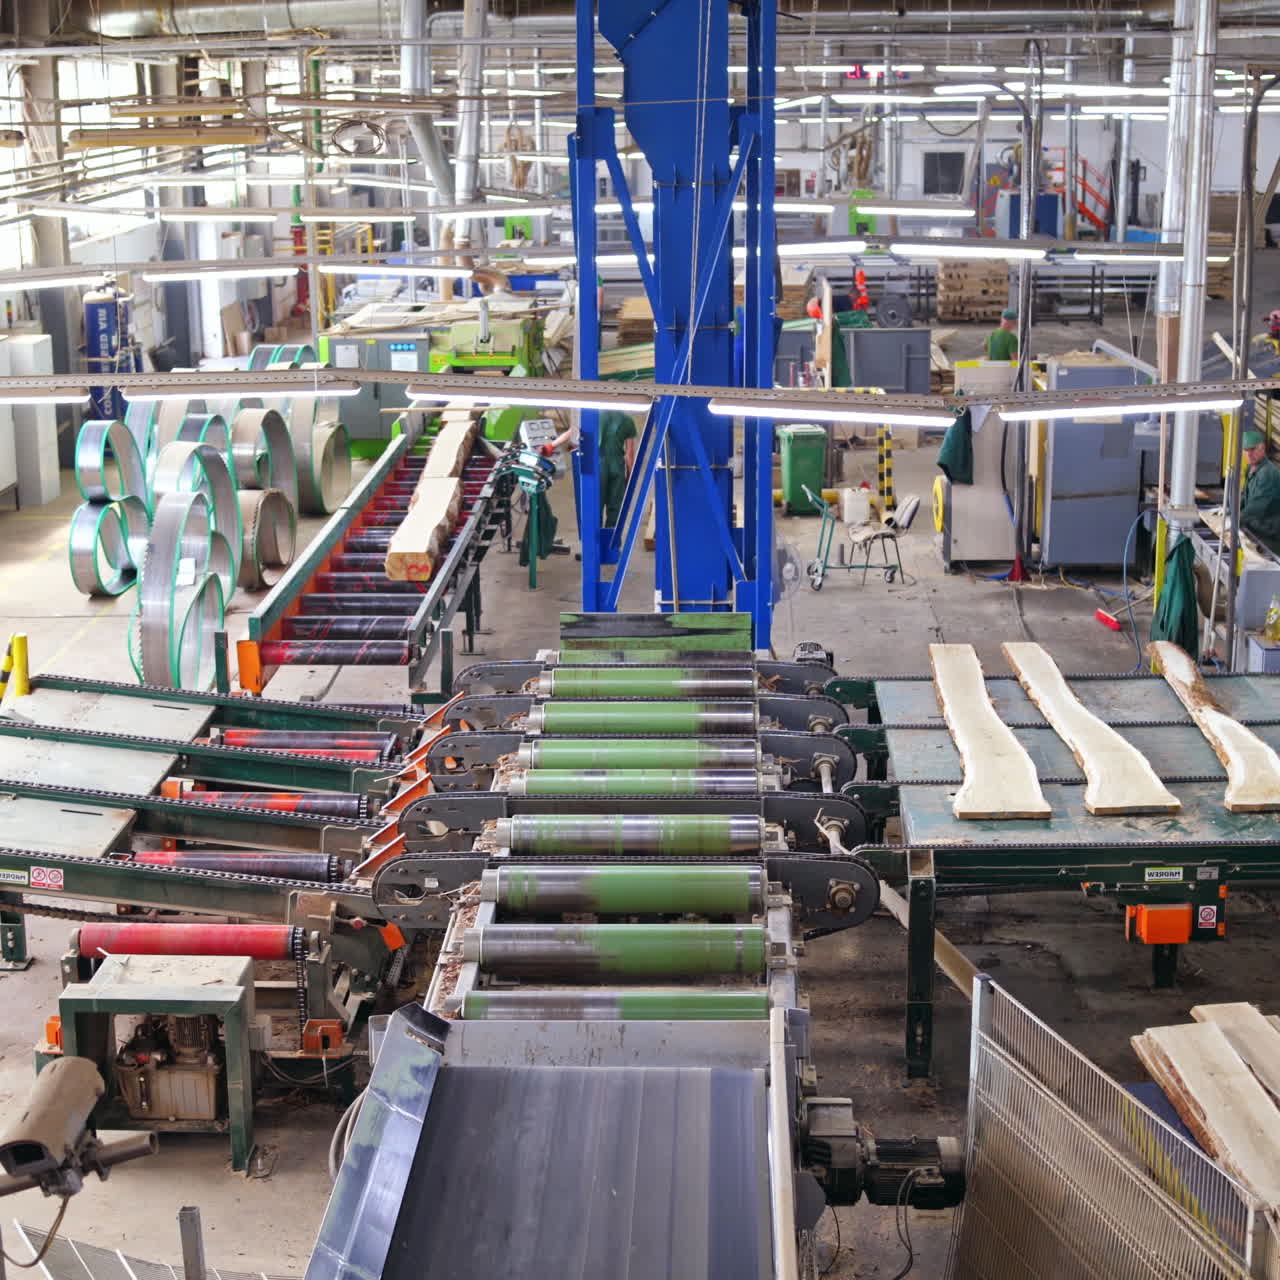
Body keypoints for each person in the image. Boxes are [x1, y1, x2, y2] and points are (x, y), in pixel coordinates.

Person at [544, 409, 639, 527]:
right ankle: (612, 541)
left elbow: (572, 432)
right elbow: (629, 454)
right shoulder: (627, 420)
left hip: (596, 465)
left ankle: (595, 540)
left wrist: (551, 446)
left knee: (595, 506)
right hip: (617, 467)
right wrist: (629, 476)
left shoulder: (591, 414)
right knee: (615, 507)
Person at [1241, 428, 1280, 555]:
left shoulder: (1268, 473)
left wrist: (1235, 521)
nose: (1249, 454)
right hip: (1255, 530)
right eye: (1246, 450)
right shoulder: (1251, 469)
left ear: (1262, 448)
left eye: (1252, 450)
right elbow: (1244, 495)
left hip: (1270, 536)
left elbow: (1256, 507)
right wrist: (1229, 510)